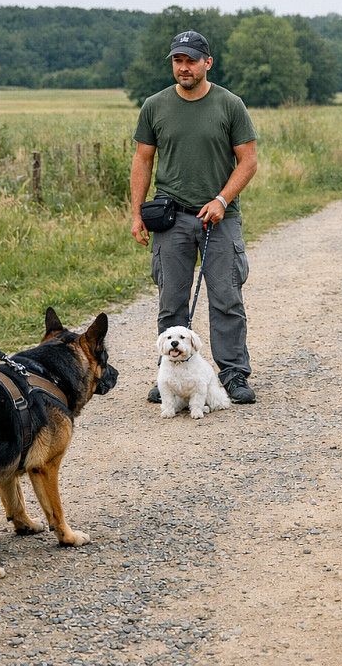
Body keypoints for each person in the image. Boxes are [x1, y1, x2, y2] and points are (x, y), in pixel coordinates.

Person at [130, 31, 259, 404]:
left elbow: (247, 161)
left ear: (207, 63)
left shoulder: (230, 105)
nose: (183, 68)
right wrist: (137, 213)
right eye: (177, 61)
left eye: (190, 60)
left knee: (226, 298)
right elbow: (142, 159)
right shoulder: (154, 106)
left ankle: (233, 374)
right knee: (171, 302)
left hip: (219, 217)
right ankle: (168, 379)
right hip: (170, 218)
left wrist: (222, 199)